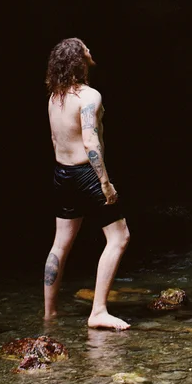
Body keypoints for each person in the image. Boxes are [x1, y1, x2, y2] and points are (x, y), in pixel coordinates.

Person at [43, 37, 131, 329]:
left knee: (60, 244)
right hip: (86, 173)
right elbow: (91, 141)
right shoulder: (89, 96)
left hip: (62, 174)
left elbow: (58, 139)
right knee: (119, 238)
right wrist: (105, 182)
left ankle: (49, 314)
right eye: (85, 48)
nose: (90, 50)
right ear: (79, 60)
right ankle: (98, 312)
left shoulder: (55, 98)